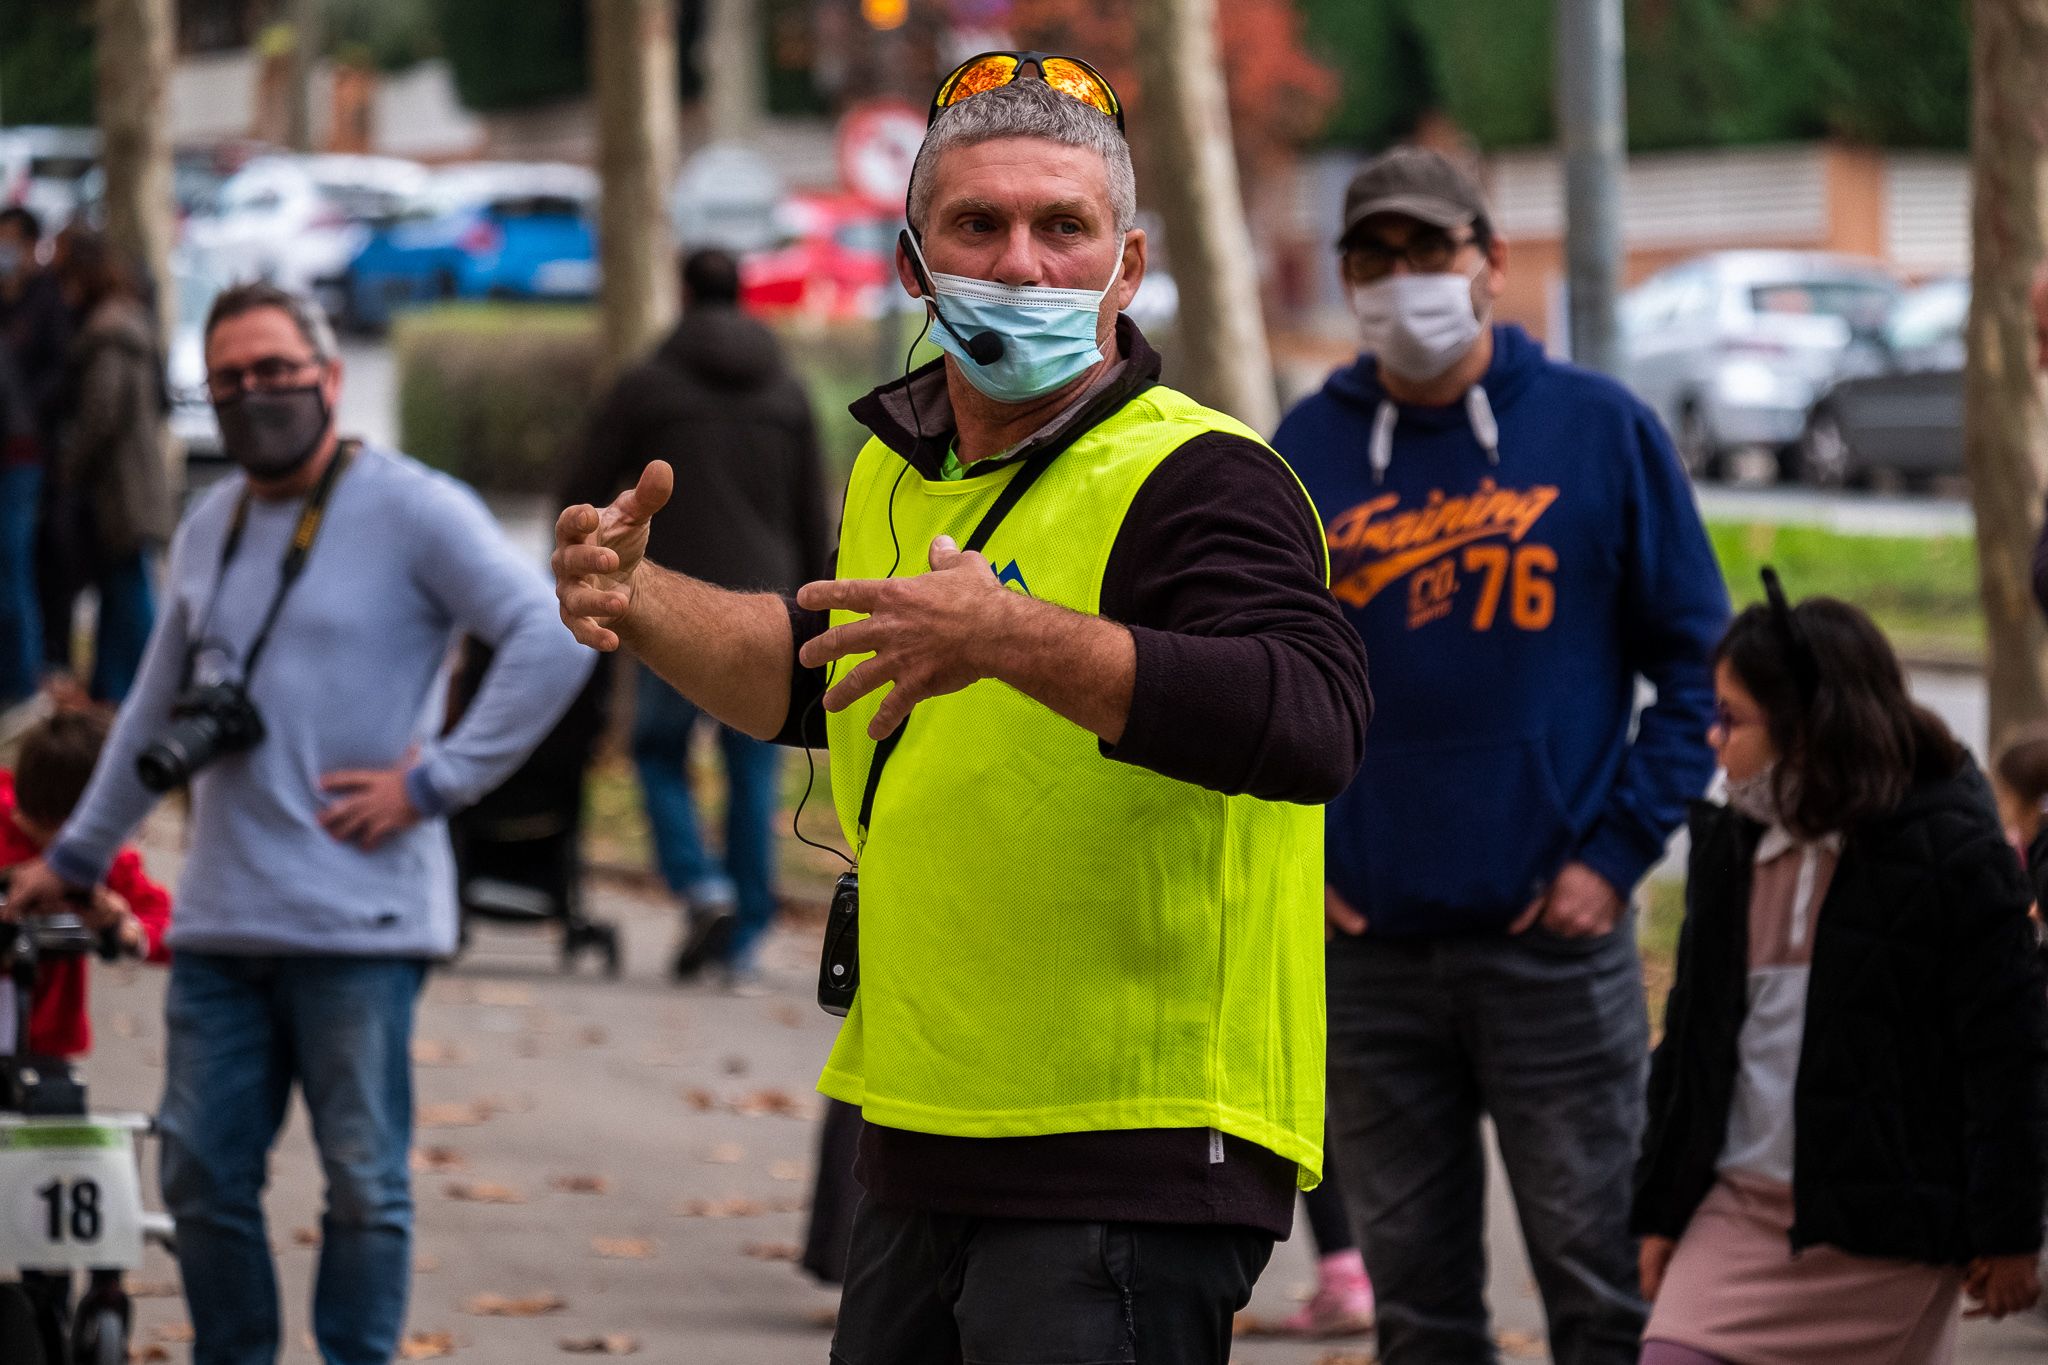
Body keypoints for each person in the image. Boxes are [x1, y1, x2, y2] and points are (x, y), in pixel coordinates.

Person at [555, 57, 1370, 1362]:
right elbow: (814, 676)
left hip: (1133, 1144)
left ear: (1130, 262)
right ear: (912, 263)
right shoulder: (899, 465)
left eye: (1065, 227)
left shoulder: (1204, 478)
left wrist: (1017, 637)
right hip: (925, 1125)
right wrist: (640, 600)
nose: (1025, 262)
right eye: (978, 226)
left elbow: (1313, 719)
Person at [7, 281, 592, 1365]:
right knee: (198, 1174)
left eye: (276, 371)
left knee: (364, 1186)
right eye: (228, 379)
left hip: (360, 928)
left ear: (328, 378)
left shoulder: (415, 508)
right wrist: (77, 855)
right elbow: (149, 709)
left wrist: (433, 783)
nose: (253, 395)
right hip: (224, 922)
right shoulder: (209, 524)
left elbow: (550, 639)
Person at [1273, 146, 1729, 1364]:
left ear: (1490, 261)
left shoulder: (1598, 432)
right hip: (1363, 962)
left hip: (1553, 951)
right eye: (1371, 259)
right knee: (1418, 1316)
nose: (1400, 280)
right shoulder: (1302, 452)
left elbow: (1701, 669)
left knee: (1605, 1292)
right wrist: (1297, 865)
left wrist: (1617, 852)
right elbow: (1251, 685)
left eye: (1429, 252)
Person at [1634, 583, 2045, 1363]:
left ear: (1806, 729)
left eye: (1732, 718)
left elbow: (2006, 1060)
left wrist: (2010, 1233)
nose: (1713, 739)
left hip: (1885, 1233)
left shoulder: (1955, 855)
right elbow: (1690, 1040)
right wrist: (1662, 1209)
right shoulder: (1732, 844)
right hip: (1737, 1212)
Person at [561, 247, 828, 984]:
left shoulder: (648, 385)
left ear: (682, 292)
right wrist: (810, 601)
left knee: (655, 751)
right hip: (769, 609)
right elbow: (813, 509)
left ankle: (698, 884)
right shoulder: (789, 390)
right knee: (753, 767)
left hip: (671, 607)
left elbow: (584, 481)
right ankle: (743, 927)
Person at [41, 232, 175, 703]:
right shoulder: (128, 321)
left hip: (122, 489)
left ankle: (149, 692)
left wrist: (69, 466)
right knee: (121, 591)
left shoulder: (107, 332)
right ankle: (116, 692)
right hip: (130, 483)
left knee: (130, 590)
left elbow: (102, 412)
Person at [0, 707, 170, 1055]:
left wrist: (122, 927)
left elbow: (171, 926)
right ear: (80, 822)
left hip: (43, 1043)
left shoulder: (107, 863)